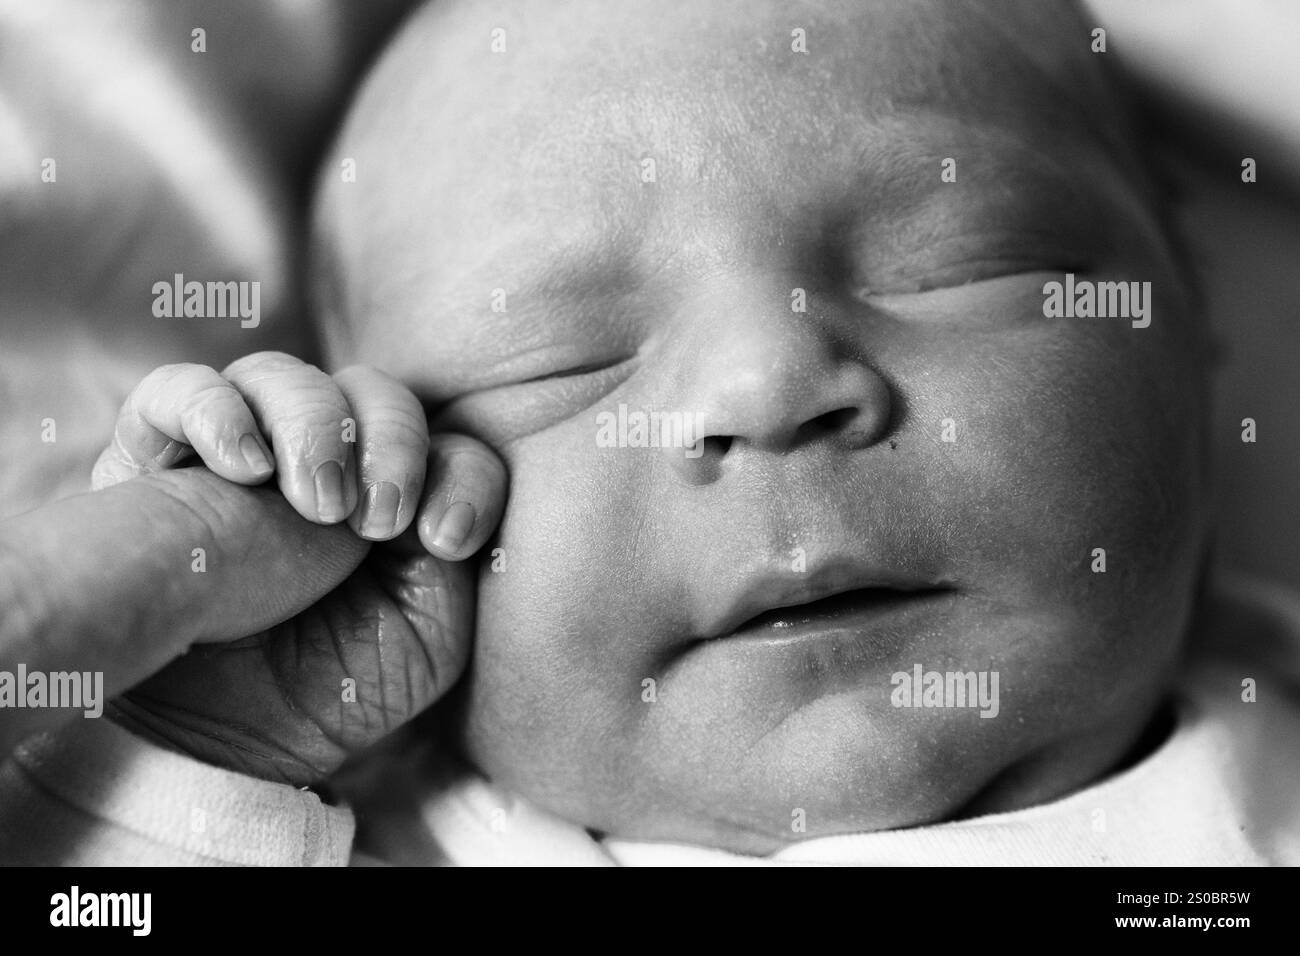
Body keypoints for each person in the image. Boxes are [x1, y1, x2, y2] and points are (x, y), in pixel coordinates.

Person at [4, 0, 1300, 865]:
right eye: (561, 351)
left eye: (951, 259)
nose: (764, 383)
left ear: (1189, 328)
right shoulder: (332, 833)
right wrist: (212, 742)